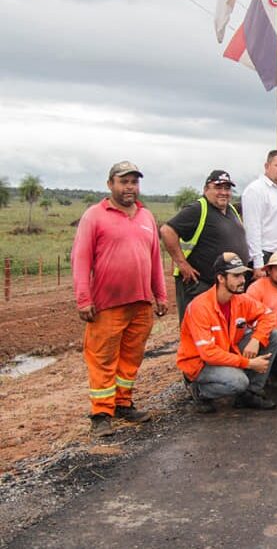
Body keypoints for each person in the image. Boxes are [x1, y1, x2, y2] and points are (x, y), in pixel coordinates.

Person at [72, 161, 168, 437]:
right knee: (102, 357)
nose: (130, 187)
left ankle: (123, 402)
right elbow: (80, 259)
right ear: (110, 184)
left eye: (134, 182)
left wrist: (160, 295)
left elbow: (153, 260)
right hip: (107, 303)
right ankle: (101, 412)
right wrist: (83, 298)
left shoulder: (146, 217)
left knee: (131, 356)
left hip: (140, 302)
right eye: (124, 181)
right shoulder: (94, 216)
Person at [177, 252, 277, 414]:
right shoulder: (200, 307)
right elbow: (208, 354)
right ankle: (199, 391)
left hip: (226, 352)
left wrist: (256, 339)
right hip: (201, 363)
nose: (242, 280)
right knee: (238, 381)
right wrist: (248, 364)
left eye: (243, 275)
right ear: (221, 278)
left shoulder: (239, 299)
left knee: (273, 335)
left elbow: (268, 316)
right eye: (236, 276)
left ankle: (250, 394)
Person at [161, 170, 247, 321]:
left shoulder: (231, 210)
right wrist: (182, 264)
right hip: (199, 284)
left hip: (223, 286)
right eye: (218, 187)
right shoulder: (198, 209)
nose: (224, 192)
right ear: (206, 189)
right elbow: (167, 231)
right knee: (197, 328)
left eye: (227, 188)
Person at [241, 150, 277, 278]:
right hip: (265, 257)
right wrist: (258, 265)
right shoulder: (256, 190)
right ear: (267, 166)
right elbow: (252, 228)